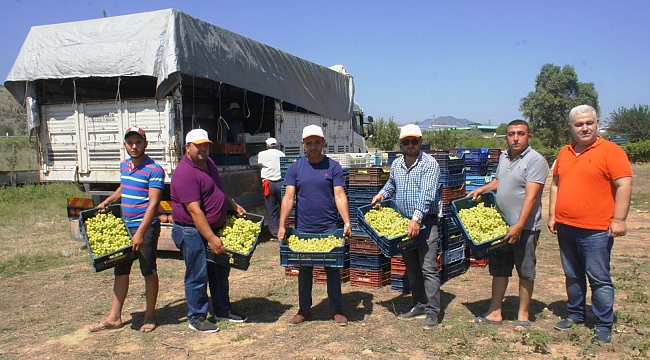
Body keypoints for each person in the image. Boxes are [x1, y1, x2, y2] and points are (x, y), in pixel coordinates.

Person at [548, 105, 633, 344]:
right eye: (579, 124)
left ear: (596, 123)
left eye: (589, 123)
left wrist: (619, 219)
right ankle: (575, 315)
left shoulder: (611, 151)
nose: (584, 128)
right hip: (566, 226)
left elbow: (624, 185)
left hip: (596, 229)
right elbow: (555, 184)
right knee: (572, 274)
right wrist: (553, 215)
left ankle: (603, 324)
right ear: (571, 128)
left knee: (598, 277)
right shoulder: (564, 153)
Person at [466, 120, 548, 331]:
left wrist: (519, 225)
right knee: (499, 269)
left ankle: (523, 315)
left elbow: (531, 197)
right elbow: (499, 182)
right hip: (502, 226)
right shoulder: (504, 157)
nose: (515, 138)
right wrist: (482, 189)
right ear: (506, 137)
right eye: (511, 134)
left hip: (525, 227)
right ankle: (495, 311)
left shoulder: (535, 161)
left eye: (520, 134)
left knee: (525, 270)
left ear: (528, 136)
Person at [170, 128, 248, 333]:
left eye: (206, 145)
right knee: (198, 273)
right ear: (187, 147)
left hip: (212, 228)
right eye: (198, 145)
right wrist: (211, 238)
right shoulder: (185, 173)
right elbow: (194, 211)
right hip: (192, 231)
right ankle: (196, 317)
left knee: (220, 271)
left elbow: (218, 189)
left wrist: (233, 204)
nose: (203, 148)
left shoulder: (208, 163)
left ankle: (222, 309)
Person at [89, 127, 164, 333]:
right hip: (124, 226)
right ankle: (114, 317)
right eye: (130, 142)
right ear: (125, 145)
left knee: (148, 271)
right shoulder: (125, 166)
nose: (134, 146)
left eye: (138, 142)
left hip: (144, 227)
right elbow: (124, 186)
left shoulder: (154, 169)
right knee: (120, 270)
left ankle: (149, 316)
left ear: (145, 144)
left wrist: (140, 232)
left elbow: (154, 203)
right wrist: (109, 200)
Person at [277, 125, 352, 326]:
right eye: (309, 143)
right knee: (305, 270)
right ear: (303, 144)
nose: (313, 146)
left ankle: (337, 309)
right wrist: (282, 224)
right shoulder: (295, 168)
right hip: (304, 229)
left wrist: (346, 221)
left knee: (333, 269)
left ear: (323, 143)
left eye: (317, 142)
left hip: (328, 228)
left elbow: (339, 195)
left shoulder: (333, 167)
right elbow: (289, 197)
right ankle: (304, 309)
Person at [370, 124, 441, 330]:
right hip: (404, 223)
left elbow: (427, 194)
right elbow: (392, 184)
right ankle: (418, 305)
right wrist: (382, 194)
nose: (410, 145)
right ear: (401, 144)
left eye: (414, 141)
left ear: (421, 141)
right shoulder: (397, 164)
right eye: (406, 142)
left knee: (428, 268)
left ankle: (432, 312)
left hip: (425, 222)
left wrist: (417, 219)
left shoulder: (430, 164)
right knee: (412, 268)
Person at [249, 137, 286, 240]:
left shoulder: (262, 154)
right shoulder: (281, 154)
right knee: (284, 207)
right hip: (281, 183)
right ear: (276, 145)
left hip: (269, 185)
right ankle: (285, 229)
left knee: (271, 209)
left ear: (267, 146)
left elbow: (251, 162)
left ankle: (275, 233)